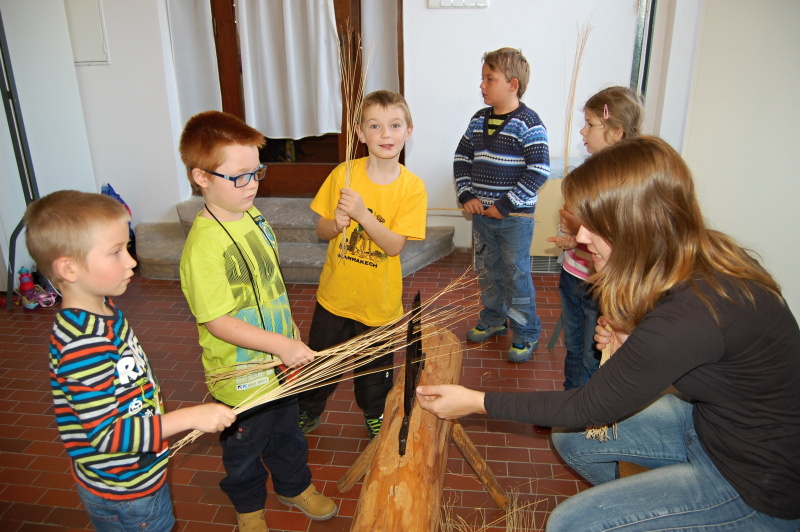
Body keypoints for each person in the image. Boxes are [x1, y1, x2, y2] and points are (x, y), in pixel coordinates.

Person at [418, 137, 800, 531]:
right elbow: (693, 358)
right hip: (708, 426)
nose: (581, 238)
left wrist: (475, 402)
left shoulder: (693, 312)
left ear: (636, 225)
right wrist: (634, 340)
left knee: (569, 524)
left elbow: (587, 406)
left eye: (594, 225)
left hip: (754, 484)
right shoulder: (692, 258)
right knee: (572, 438)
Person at [24, 190, 237, 531]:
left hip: (138, 471)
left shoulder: (104, 308)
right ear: (69, 268)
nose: (131, 261)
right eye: (116, 252)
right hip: (125, 490)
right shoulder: (83, 344)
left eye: (127, 247)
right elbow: (107, 433)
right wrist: (191, 417)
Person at [178, 111, 338, 531]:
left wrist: (289, 333)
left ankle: (294, 486)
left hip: (279, 367)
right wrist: (281, 345)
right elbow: (218, 321)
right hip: (241, 377)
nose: (252, 185)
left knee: (288, 434)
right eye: (239, 177)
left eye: (257, 172)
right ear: (202, 177)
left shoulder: (253, 217)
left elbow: (272, 287)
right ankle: (249, 508)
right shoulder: (203, 248)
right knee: (245, 449)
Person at [297, 90, 427, 439]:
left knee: (374, 371)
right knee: (321, 362)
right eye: (375, 126)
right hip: (335, 296)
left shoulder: (412, 188)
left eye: (395, 125)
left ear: (408, 131)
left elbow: (394, 246)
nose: (386, 134)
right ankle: (309, 410)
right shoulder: (344, 174)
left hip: (379, 303)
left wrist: (362, 215)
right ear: (360, 132)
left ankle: (374, 413)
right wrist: (335, 223)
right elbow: (322, 229)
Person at [454, 47, 550, 363]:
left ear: (512, 84)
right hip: (483, 218)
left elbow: (538, 170)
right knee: (488, 272)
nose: (482, 85)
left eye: (489, 79)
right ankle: (494, 319)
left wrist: (505, 205)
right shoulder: (478, 120)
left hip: (515, 220)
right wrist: (467, 195)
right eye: (482, 78)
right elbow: (461, 158)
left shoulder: (529, 122)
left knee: (516, 276)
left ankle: (526, 333)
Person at [547, 87, 644, 389]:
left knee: (594, 356)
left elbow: (618, 238)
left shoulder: (628, 184)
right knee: (575, 349)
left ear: (616, 132)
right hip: (573, 273)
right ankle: (570, 401)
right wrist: (573, 241)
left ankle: (585, 408)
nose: (582, 131)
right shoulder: (589, 172)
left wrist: (578, 227)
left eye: (590, 124)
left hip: (599, 285)